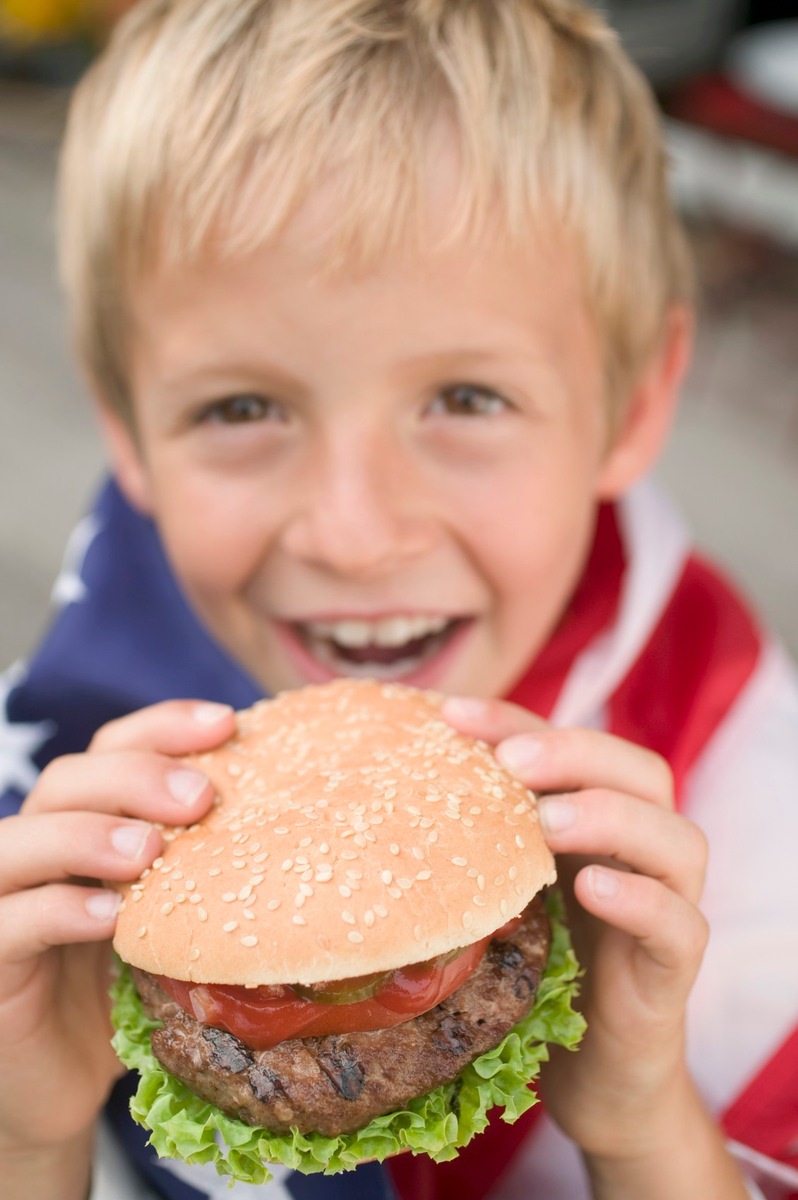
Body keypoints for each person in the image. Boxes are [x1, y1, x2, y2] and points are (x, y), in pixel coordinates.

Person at [1, 1, 796, 1197]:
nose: (356, 536)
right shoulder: (76, 760)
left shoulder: (735, 767)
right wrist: (30, 1135)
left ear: (631, 410)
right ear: (132, 435)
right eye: (240, 409)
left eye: (467, 399)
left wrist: (642, 1125)